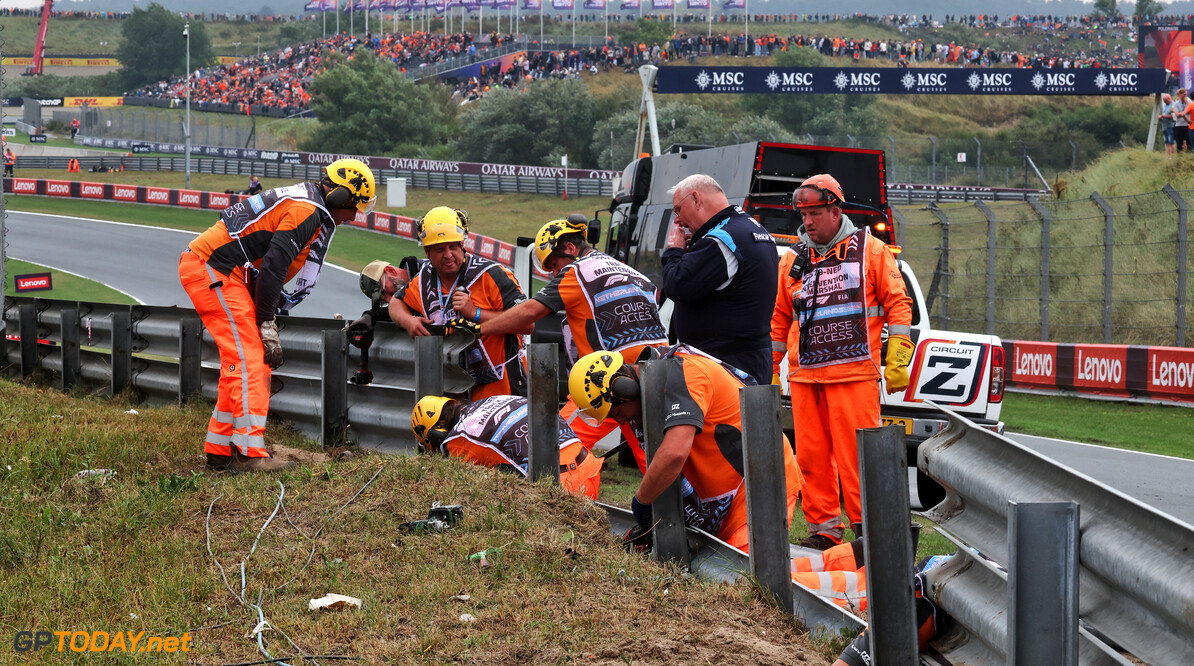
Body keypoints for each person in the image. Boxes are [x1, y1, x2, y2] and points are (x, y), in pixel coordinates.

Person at [180, 158, 376, 473]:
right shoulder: (307, 211)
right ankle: (248, 454)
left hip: (220, 271)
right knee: (252, 362)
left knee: (242, 362)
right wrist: (267, 321)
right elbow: (273, 266)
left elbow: (266, 266)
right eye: (354, 207)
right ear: (339, 197)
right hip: (216, 270)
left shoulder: (308, 202)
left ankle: (219, 450)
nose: (354, 216)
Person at [770, 174, 914, 550]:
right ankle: (824, 530)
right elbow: (778, 319)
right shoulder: (793, 261)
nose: (808, 221)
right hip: (805, 380)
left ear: (835, 212)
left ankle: (868, 530)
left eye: (816, 213)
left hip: (853, 376)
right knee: (813, 459)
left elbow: (899, 304)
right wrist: (770, 369)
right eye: (804, 214)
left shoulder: (872, 250)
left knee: (857, 460)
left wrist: (897, 356)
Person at [470, 215, 667, 465]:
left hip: (604, 380)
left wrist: (480, 327)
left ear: (571, 248)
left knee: (554, 445)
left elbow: (529, 312)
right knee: (654, 460)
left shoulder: (576, 271)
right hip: (654, 376)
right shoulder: (635, 274)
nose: (553, 274)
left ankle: (552, 500)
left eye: (553, 265)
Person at [568, 346, 803, 552]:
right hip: (726, 500)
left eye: (618, 413)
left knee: (751, 585)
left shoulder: (686, 373)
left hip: (760, 486)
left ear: (625, 388)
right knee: (719, 575)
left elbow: (673, 454)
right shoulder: (656, 385)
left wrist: (641, 504)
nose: (621, 422)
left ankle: (836, 575)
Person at [387, 206, 528, 399]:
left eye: (453, 246)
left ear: (463, 244)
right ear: (427, 252)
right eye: (439, 249)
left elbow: (527, 322)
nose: (448, 255)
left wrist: (475, 314)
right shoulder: (423, 280)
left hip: (502, 392)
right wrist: (408, 321)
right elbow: (396, 302)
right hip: (451, 392)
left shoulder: (492, 274)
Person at [660, 174, 779, 385]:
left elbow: (676, 284)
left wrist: (675, 252)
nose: (677, 219)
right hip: (748, 359)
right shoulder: (751, 228)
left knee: (728, 419)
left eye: (678, 210)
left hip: (725, 364)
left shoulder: (721, 240)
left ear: (696, 198)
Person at [410, 394, 602, 499]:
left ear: (436, 434)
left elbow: (458, 492)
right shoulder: (494, 399)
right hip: (591, 470)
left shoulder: (458, 439)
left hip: (561, 490)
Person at [1174, 88, 1192, 153]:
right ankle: (1180, 159)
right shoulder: (1176, 103)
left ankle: (1189, 157)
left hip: (1188, 125)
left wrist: (1187, 102)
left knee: (1189, 142)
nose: (1185, 96)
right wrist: (1184, 113)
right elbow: (1177, 114)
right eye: (1184, 94)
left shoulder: (1189, 101)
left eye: (1186, 95)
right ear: (1180, 95)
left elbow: (1192, 111)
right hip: (1179, 125)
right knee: (1179, 144)